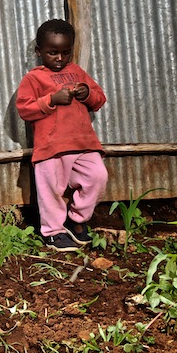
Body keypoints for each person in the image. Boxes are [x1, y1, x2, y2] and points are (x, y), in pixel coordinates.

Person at [16, 19, 108, 252]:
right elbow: (25, 109)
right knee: (51, 191)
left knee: (97, 177)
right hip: (50, 147)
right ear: (39, 51)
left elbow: (99, 98)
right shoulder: (33, 78)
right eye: (53, 52)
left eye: (65, 52)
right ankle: (53, 231)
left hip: (84, 143)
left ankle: (76, 219)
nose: (59, 58)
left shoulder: (76, 71)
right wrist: (51, 100)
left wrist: (87, 93)